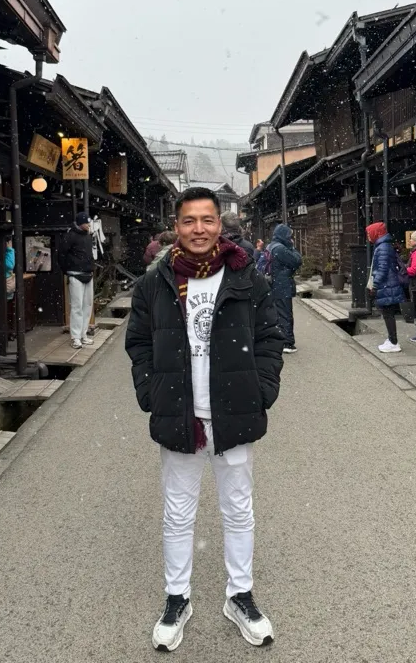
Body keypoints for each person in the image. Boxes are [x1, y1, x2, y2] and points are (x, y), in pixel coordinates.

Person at [126, 186, 284, 652]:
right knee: (178, 513)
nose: (199, 229)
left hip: (234, 413)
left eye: (207, 220)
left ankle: (240, 596)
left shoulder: (246, 278)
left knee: (238, 509)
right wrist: (151, 393)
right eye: (190, 220)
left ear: (221, 224)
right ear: (176, 226)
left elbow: (269, 338)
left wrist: (262, 390)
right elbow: (138, 343)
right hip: (180, 413)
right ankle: (177, 598)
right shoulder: (154, 283)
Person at [366, 221, 405, 353]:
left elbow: (382, 269)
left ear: (376, 233)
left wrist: (375, 285)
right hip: (388, 284)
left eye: (369, 233)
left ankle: (393, 342)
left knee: (388, 314)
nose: (368, 236)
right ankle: (391, 339)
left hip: (386, 285)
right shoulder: (384, 246)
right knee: (388, 313)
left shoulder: (382, 247)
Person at [58, 211, 95, 349]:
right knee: (77, 307)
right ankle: (75, 337)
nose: (89, 225)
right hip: (75, 273)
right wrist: (66, 270)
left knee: (87, 306)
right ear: (80, 223)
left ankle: (83, 334)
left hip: (88, 273)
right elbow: (61, 254)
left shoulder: (88, 236)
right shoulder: (70, 236)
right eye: (86, 223)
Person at [267, 224, 302, 354]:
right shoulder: (280, 249)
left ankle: (278, 340)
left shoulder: (271, 246)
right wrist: (292, 247)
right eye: (289, 235)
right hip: (281, 285)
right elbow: (296, 261)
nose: (291, 238)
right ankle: (287, 343)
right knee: (285, 314)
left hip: (274, 284)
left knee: (277, 314)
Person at [4, 236, 15, 301]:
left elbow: (10, 265)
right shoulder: (8, 252)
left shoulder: (7, 252)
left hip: (8, 283)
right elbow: (10, 265)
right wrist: (10, 250)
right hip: (8, 283)